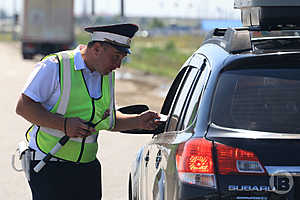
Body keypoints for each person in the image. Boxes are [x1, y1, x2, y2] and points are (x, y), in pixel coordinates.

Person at [15, 23, 160, 200]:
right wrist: (64, 125)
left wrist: (138, 121)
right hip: (48, 164)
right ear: (97, 49)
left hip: (86, 168)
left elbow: (107, 119)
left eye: (122, 58)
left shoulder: (106, 74)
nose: (118, 65)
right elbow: (23, 106)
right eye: (115, 57)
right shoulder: (55, 66)